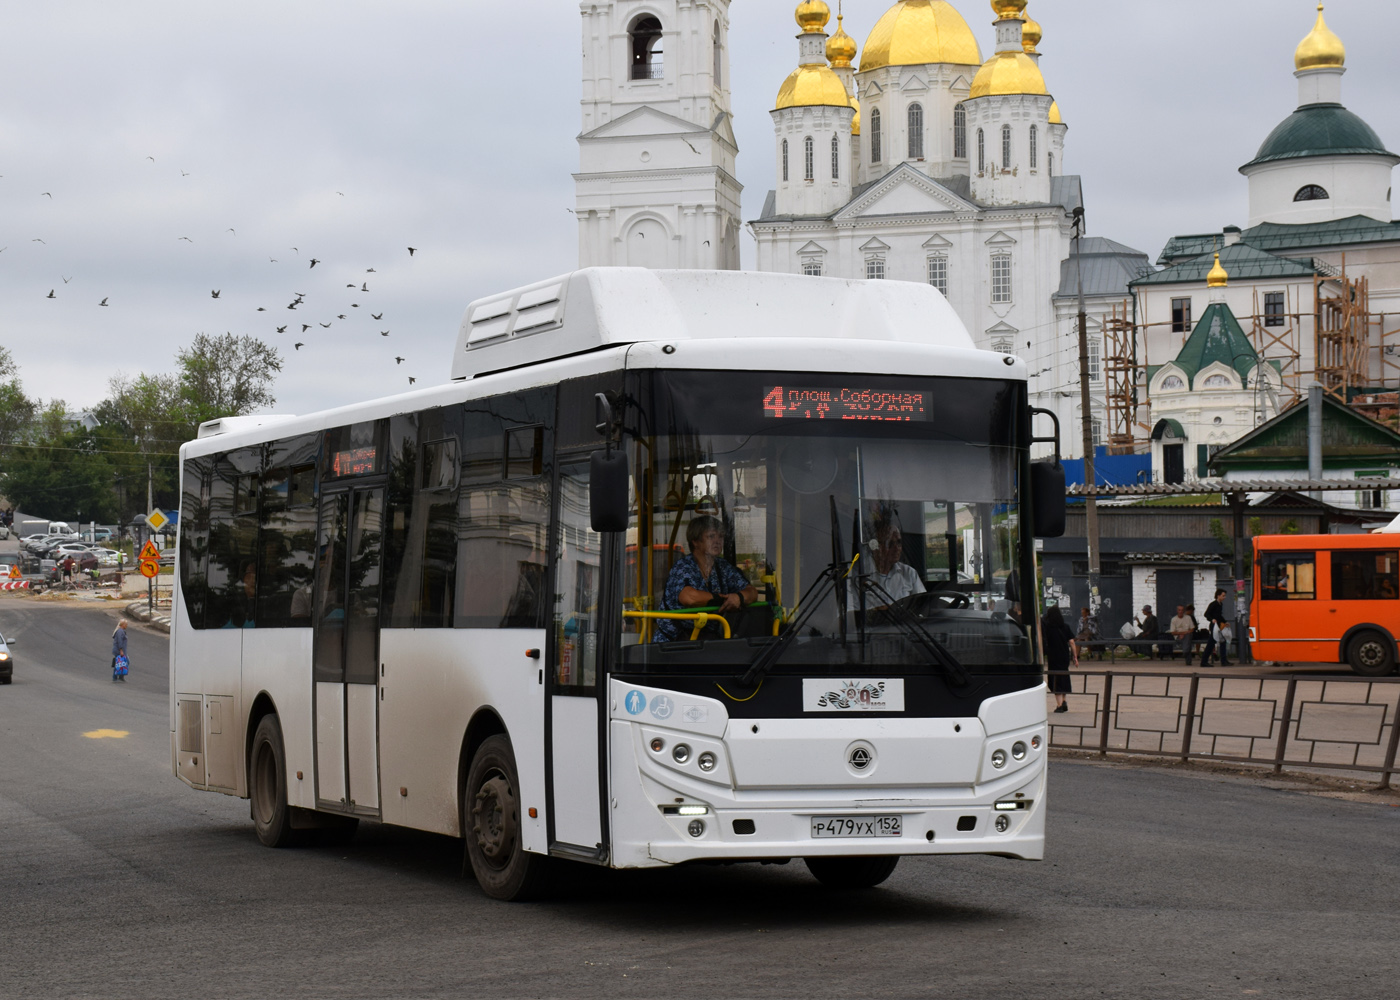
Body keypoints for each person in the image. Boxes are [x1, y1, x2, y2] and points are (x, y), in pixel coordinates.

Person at [656, 515, 756, 643]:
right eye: (711, 536)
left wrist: (739, 598)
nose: (717, 541)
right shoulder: (683, 566)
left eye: (720, 536)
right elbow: (689, 597)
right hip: (673, 645)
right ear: (695, 541)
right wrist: (724, 600)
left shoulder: (723, 567)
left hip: (708, 642)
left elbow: (752, 591)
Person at [851, 516, 926, 609]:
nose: (896, 548)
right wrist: (876, 613)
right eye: (890, 543)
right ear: (875, 547)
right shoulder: (858, 575)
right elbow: (849, 613)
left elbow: (923, 607)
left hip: (906, 623)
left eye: (899, 543)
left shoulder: (909, 573)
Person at [1042, 605, 1078, 713]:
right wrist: (1075, 656)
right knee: (1064, 676)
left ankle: (1059, 705)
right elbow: (1071, 642)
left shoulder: (1048, 628)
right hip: (1064, 656)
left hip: (1053, 656)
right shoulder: (1065, 626)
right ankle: (1064, 700)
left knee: (1054, 679)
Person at [1202, 589, 1232, 667]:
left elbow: (1219, 616)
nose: (1224, 597)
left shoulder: (1220, 604)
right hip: (1214, 626)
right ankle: (1204, 661)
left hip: (1219, 625)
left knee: (1222, 641)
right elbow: (1206, 614)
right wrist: (1212, 619)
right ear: (1218, 596)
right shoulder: (1214, 604)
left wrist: (1225, 622)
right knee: (1211, 643)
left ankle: (1223, 660)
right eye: (1223, 595)